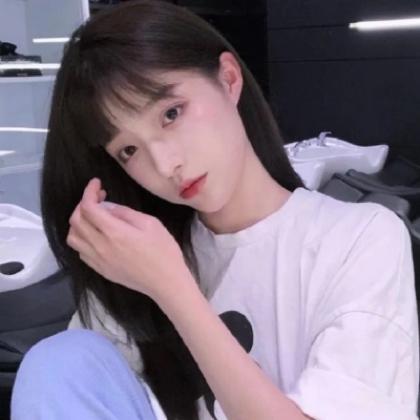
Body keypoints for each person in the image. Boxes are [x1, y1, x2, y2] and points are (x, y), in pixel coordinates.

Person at [10, 1, 419, 419]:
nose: (165, 165)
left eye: (171, 114)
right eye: (129, 150)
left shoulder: (359, 238)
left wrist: (173, 289)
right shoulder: (139, 262)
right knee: (59, 360)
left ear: (228, 79)